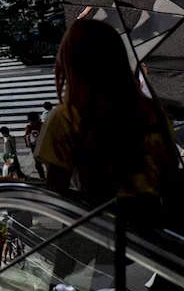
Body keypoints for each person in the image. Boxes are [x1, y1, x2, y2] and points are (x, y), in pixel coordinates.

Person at [37, 19, 180, 222]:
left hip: (102, 229)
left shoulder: (65, 118)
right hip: (152, 228)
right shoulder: (152, 113)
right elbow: (171, 182)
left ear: (72, 63)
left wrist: (13, 188)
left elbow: (57, 192)